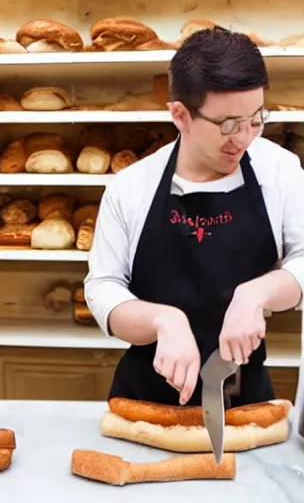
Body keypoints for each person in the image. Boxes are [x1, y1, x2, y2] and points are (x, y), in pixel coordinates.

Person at [84, 26, 304, 408]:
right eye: (228, 125)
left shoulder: (280, 171)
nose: (245, 137)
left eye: (256, 119)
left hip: (244, 398)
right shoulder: (131, 187)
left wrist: (257, 293)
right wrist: (161, 320)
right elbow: (103, 288)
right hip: (144, 401)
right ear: (181, 115)